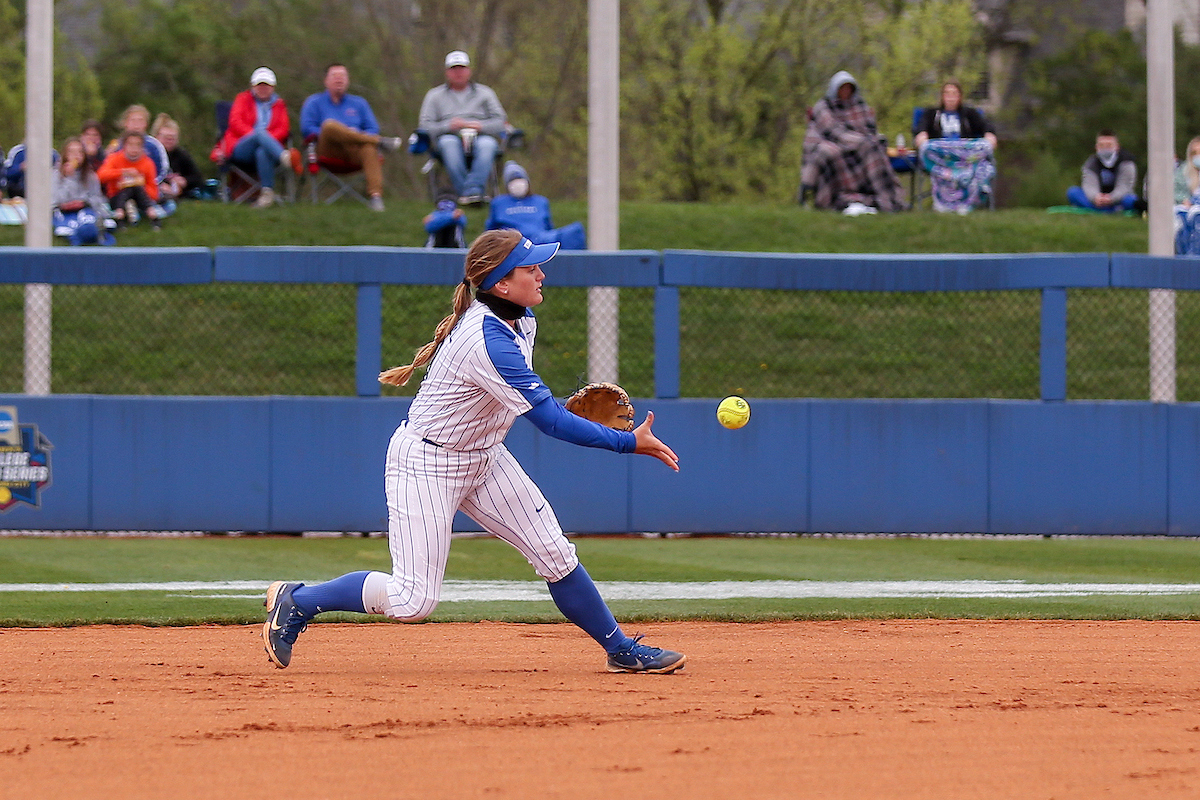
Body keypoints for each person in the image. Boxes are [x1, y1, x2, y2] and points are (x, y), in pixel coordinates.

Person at [262, 229, 687, 675]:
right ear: (501, 284)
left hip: (484, 457)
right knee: (412, 601)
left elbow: (521, 402)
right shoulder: (486, 339)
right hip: (428, 463)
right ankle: (300, 599)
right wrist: (627, 442)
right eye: (530, 268)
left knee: (556, 555)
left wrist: (561, 409)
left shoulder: (522, 320)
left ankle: (620, 649)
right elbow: (549, 423)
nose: (541, 274)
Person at [300, 63, 403, 212]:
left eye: (342, 76)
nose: (339, 79)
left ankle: (376, 198)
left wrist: (354, 134)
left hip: (354, 151)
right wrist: (341, 132)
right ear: (326, 81)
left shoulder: (359, 103)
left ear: (348, 80)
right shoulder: (314, 102)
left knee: (369, 148)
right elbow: (307, 129)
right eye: (334, 76)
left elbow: (373, 128)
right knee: (329, 125)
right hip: (328, 149)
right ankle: (381, 142)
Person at [800, 70, 904, 214]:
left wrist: (869, 140)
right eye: (842, 88)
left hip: (858, 149)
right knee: (831, 153)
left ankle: (889, 199)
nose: (845, 91)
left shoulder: (859, 105)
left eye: (848, 88)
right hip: (835, 144)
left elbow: (870, 129)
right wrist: (859, 141)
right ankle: (832, 198)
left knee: (874, 148)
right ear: (835, 89)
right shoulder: (824, 106)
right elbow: (833, 131)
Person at [418, 50, 508, 205]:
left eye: (462, 68)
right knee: (449, 143)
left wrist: (480, 126)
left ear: (469, 71)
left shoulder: (485, 93)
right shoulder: (434, 95)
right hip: (448, 137)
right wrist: (448, 125)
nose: (458, 73)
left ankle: (472, 191)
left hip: (481, 136)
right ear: (447, 72)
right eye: (454, 69)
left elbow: (501, 121)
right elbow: (424, 126)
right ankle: (469, 193)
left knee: (487, 145)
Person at [216, 67, 296, 208]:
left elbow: (283, 129)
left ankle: (267, 194)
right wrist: (258, 136)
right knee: (259, 133)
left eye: (266, 85)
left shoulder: (279, 105)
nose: (263, 89)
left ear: (273, 87)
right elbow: (235, 123)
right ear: (253, 86)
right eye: (259, 85)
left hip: (268, 150)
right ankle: (285, 157)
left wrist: (267, 141)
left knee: (262, 151)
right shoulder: (242, 99)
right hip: (241, 147)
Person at [913, 81, 997, 214]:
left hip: (965, 157)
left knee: (984, 147)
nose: (950, 97)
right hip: (941, 157)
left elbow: (987, 127)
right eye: (947, 93)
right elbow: (920, 131)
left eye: (954, 94)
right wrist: (922, 137)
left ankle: (967, 202)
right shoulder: (931, 114)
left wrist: (990, 136)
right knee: (926, 148)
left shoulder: (969, 114)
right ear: (942, 96)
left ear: (960, 96)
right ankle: (944, 201)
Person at [485, 161, 586, 249]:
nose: (518, 184)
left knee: (575, 230)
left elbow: (549, 227)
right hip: (515, 242)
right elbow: (490, 231)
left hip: (542, 239)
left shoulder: (540, 201)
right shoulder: (499, 203)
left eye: (520, 179)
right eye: (512, 180)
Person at [52, 136, 115, 246]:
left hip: (85, 208)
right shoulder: (55, 175)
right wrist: (69, 178)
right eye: (71, 152)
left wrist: (86, 202)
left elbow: (97, 198)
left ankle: (95, 232)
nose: (76, 156)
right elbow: (56, 199)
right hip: (64, 210)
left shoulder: (90, 175)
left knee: (92, 219)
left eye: (79, 152)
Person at [97, 131, 163, 228]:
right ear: (124, 145)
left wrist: (139, 183)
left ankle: (150, 214)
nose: (134, 148)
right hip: (117, 196)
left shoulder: (148, 163)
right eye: (131, 144)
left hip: (140, 197)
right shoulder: (114, 158)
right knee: (127, 189)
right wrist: (122, 173)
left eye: (138, 145)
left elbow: (154, 193)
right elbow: (101, 176)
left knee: (135, 188)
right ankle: (121, 215)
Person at [1066, 130, 1139, 213]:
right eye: (1101, 145)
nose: (1105, 148)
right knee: (1073, 192)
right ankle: (1110, 210)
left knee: (1131, 200)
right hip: (1097, 200)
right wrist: (1095, 197)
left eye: (1109, 145)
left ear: (1117, 147)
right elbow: (1089, 185)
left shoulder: (1127, 162)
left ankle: (1096, 210)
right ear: (1096, 147)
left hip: (1118, 199)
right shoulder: (1091, 163)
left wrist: (1111, 198)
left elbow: (1124, 187)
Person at [150, 113, 206, 201]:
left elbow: (198, 178)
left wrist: (184, 181)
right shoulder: (150, 154)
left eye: (172, 138)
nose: (169, 141)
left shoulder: (181, 155)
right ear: (156, 137)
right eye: (166, 138)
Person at [1173, 136, 1200, 255]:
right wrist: (1185, 200)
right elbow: (1176, 191)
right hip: (1185, 206)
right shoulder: (1183, 171)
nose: (1197, 156)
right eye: (1194, 153)